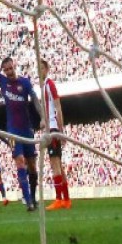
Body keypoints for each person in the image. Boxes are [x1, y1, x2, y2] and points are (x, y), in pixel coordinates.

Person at [0, 35, 42, 211]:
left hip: (27, 129)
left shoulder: (25, 82)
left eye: (10, 68)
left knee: (31, 164)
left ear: (14, 66)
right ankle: (28, 200)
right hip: (12, 130)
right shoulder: (3, 81)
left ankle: (33, 195)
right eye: (6, 69)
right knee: (20, 161)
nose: (9, 72)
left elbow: (36, 100)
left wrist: (43, 117)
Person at [40, 60, 71, 210]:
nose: (39, 71)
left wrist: (60, 129)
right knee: (59, 164)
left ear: (46, 69)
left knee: (55, 165)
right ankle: (66, 199)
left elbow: (58, 106)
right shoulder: (45, 86)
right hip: (51, 127)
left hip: (53, 129)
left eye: (41, 68)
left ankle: (59, 199)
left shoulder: (49, 84)